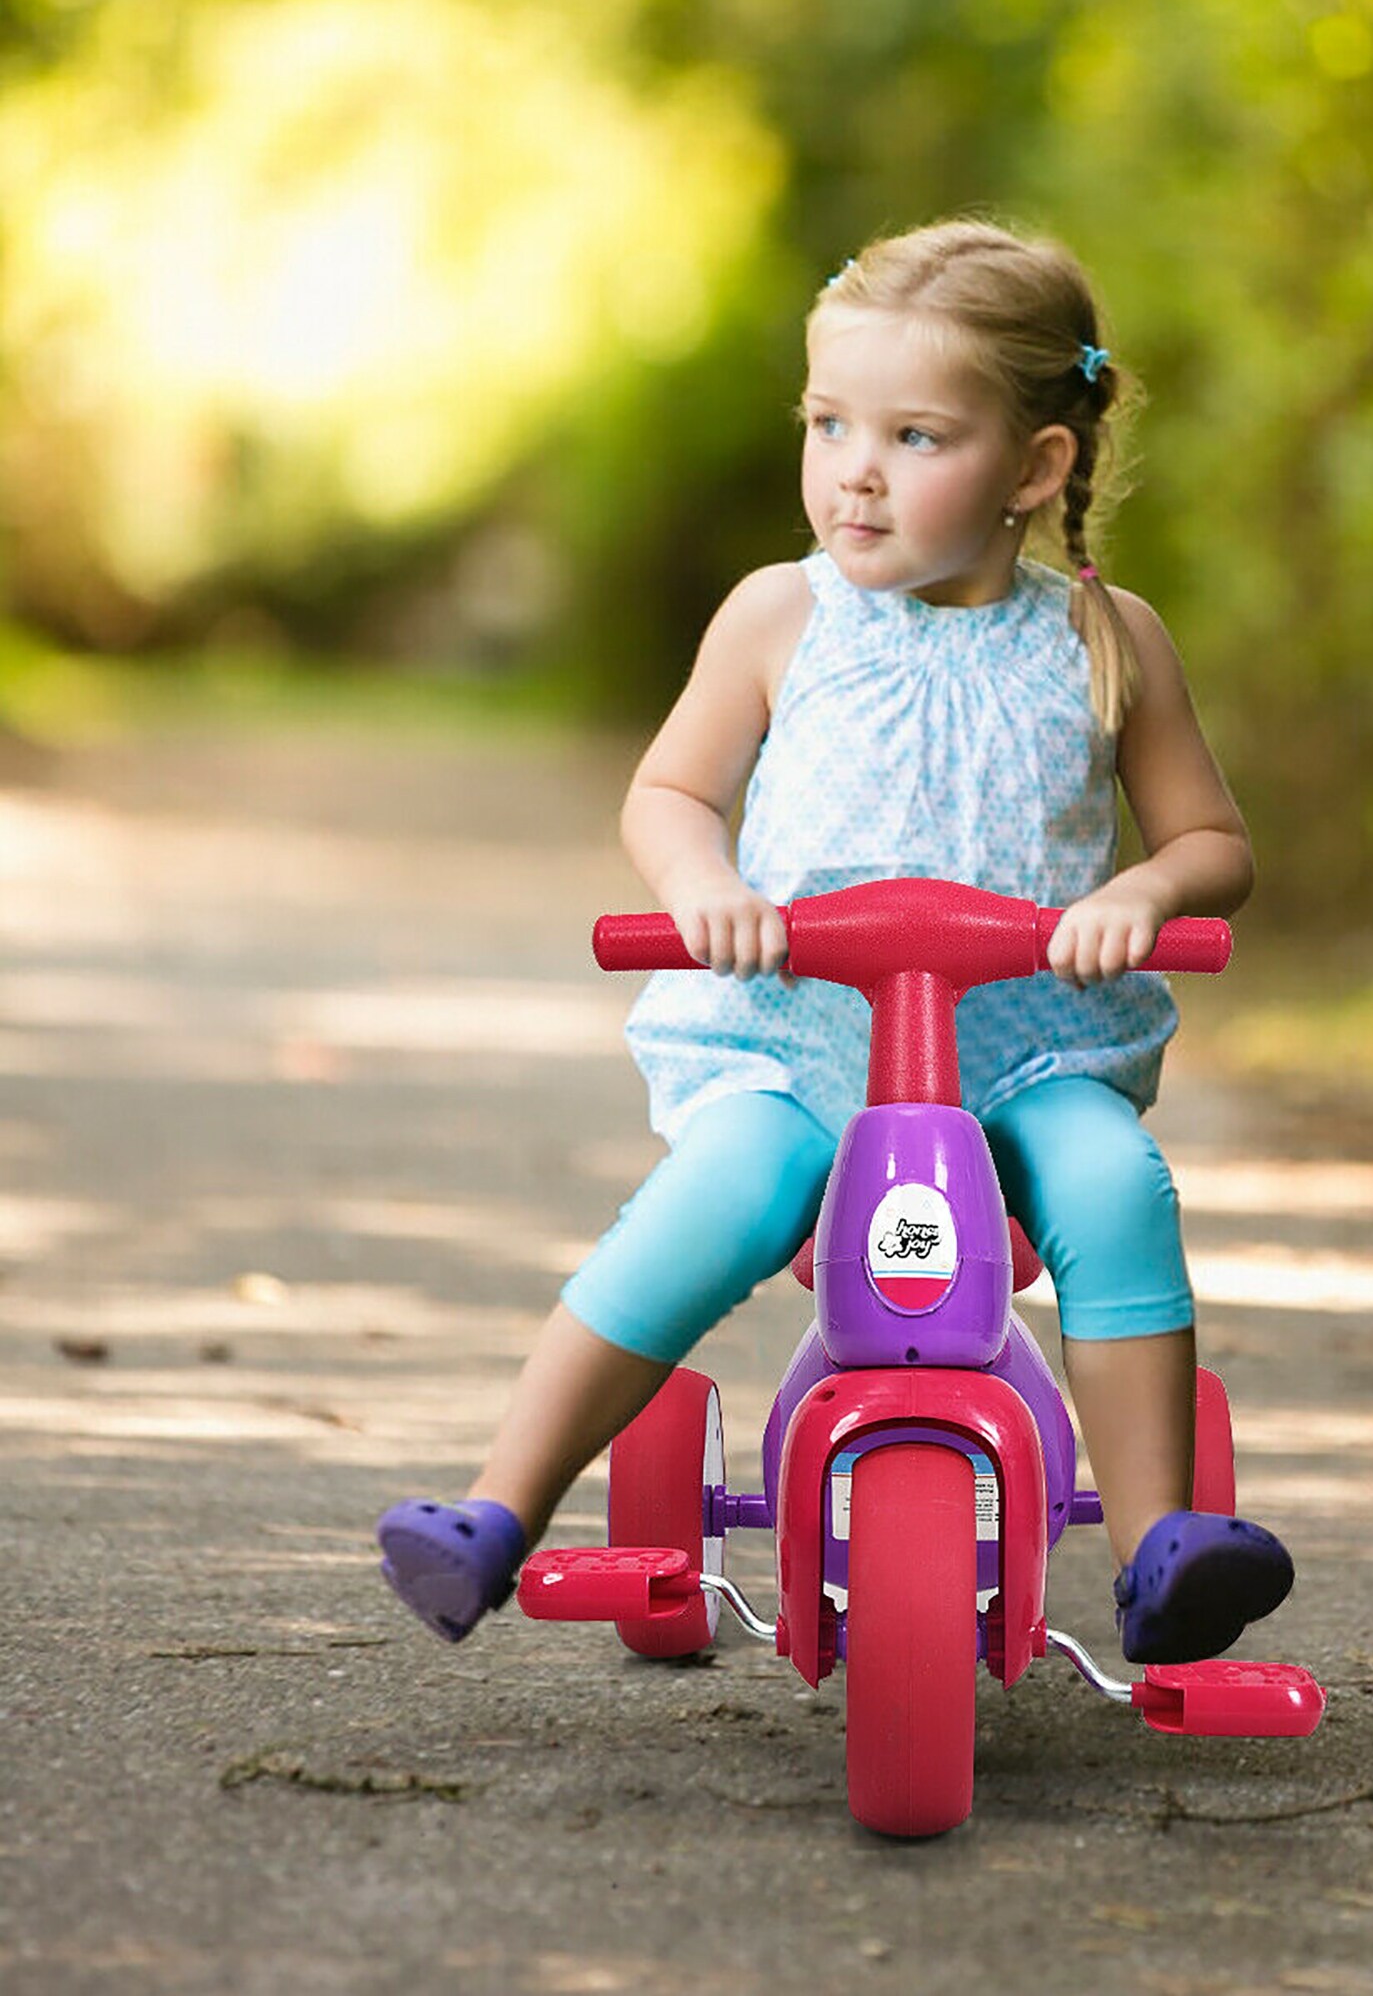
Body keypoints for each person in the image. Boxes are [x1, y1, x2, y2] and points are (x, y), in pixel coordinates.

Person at [376, 217, 1292, 1665]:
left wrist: (1149, 893)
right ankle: (497, 1511)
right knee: (709, 1200)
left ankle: (1158, 1544)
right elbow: (671, 790)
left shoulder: (1109, 642)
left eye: (917, 434)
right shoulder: (776, 618)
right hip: (798, 1045)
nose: (854, 469)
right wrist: (703, 884)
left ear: (1037, 468)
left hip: (1024, 1051)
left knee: (1117, 1186)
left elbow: (1214, 844)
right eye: (828, 423)